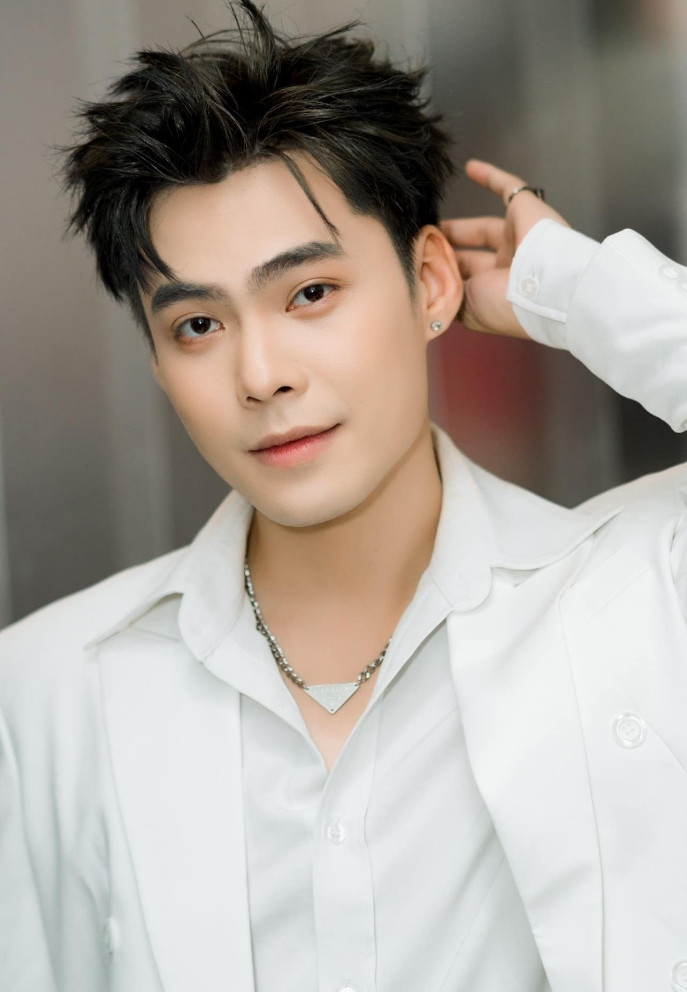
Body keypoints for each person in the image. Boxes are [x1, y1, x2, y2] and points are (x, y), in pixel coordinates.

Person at [1, 2, 686, 990]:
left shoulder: (638, 596)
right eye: (198, 325)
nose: (261, 374)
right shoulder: (48, 691)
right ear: (156, 360)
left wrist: (576, 290)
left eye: (310, 293)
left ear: (431, 283)